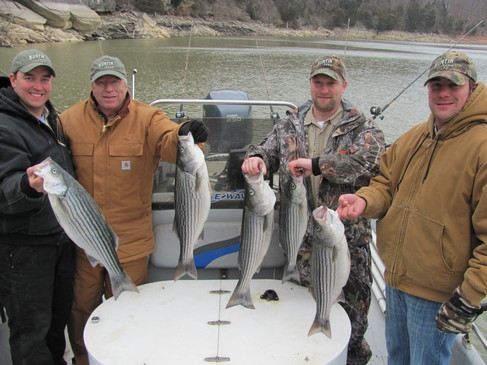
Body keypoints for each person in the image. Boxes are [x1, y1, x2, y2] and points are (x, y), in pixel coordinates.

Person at [337, 51, 487, 365]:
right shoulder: (416, 136)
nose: (443, 93)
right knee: (398, 359)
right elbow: (385, 184)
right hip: (396, 279)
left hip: (437, 294)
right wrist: (364, 200)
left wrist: (470, 297)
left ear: (471, 89)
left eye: (452, 85)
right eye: (436, 85)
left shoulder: (482, 146)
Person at [59, 55, 208, 365]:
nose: (108, 88)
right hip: (85, 237)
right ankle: (84, 359)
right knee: (81, 307)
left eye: (114, 81)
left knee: (127, 309)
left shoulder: (149, 118)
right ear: (92, 86)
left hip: (132, 241)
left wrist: (186, 133)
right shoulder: (68, 120)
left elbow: (169, 142)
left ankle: (124, 358)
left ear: (125, 84)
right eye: (101, 82)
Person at [242, 55, 385, 365]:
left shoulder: (362, 126)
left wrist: (318, 165)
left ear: (343, 86)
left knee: (354, 321)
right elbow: (265, 150)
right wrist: (256, 160)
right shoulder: (290, 122)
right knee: (299, 315)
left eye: (330, 82)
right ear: (310, 84)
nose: (323, 89)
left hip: (347, 240)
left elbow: (366, 162)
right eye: (318, 82)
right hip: (303, 241)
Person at [0, 49, 75, 364]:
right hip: (24, 248)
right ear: (13, 79)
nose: (38, 86)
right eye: (29, 78)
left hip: (57, 240)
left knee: (56, 328)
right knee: (32, 334)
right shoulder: (5, 125)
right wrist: (26, 186)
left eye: (45, 79)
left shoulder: (48, 116)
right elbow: (5, 188)